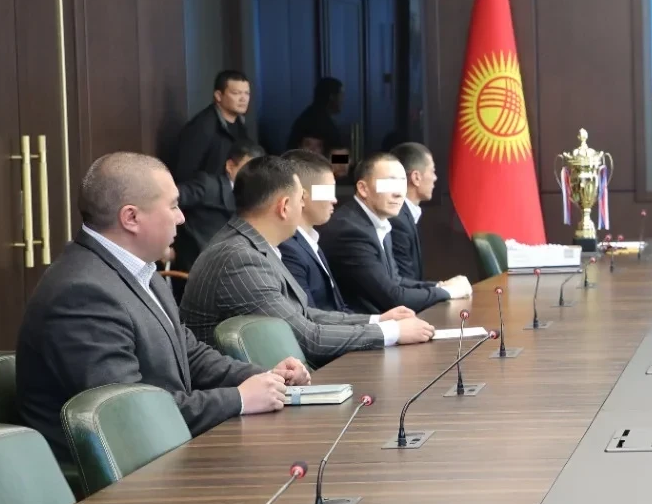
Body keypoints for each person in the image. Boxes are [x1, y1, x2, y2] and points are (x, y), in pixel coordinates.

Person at [15, 153, 308, 464]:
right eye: (173, 206)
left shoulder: (141, 270)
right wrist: (238, 399)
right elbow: (130, 412)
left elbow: (187, 353)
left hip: (166, 444)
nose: (181, 217)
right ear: (131, 218)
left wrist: (267, 377)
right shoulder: (81, 293)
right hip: (121, 472)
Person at [180, 155, 436, 367]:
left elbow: (303, 314)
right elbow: (307, 338)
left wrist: (378, 321)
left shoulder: (253, 245)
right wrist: (393, 333)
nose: (303, 207)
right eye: (301, 200)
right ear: (284, 206)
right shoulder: (239, 257)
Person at [320, 151, 471, 313]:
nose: (399, 193)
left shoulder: (379, 220)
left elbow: (395, 280)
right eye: (389, 184)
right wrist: (449, 292)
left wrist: (440, 285)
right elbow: (393, 298)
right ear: (363, 189)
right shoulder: (350, 231)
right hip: (360, 324)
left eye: (402, 184)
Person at [279, 149, 353, 311]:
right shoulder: (288, 249)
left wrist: (380, 321)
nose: (334, 200)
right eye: (328, 191)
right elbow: (309, 318)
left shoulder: (311, 240)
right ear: (302, 196)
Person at [174, 140, 262, 271]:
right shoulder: (208, 186)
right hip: (197, 266)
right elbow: (168, 200)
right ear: (230, 166)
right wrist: (167, 247)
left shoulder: (256, 200)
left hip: (235, 265)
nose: (253, 178)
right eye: (248, 170)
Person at [172, 69, 252, 183]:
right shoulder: (201, 126)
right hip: (210, 193)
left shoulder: (241, 124)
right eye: (236, 93)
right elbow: (185, 174)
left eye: (247, 93)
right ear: (218, 96)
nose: (243, 99)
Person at [390, 142, 436, 281]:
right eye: (432, 171)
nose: (435, 178)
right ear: (416, 177)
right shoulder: (397, 220)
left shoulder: (406, 214)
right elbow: (405, 280)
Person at [286, 77, 345, 154]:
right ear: (332, 97)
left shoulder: (305, 118)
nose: (342, 100)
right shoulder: (325, 125)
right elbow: (338, 158)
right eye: (341, 95)